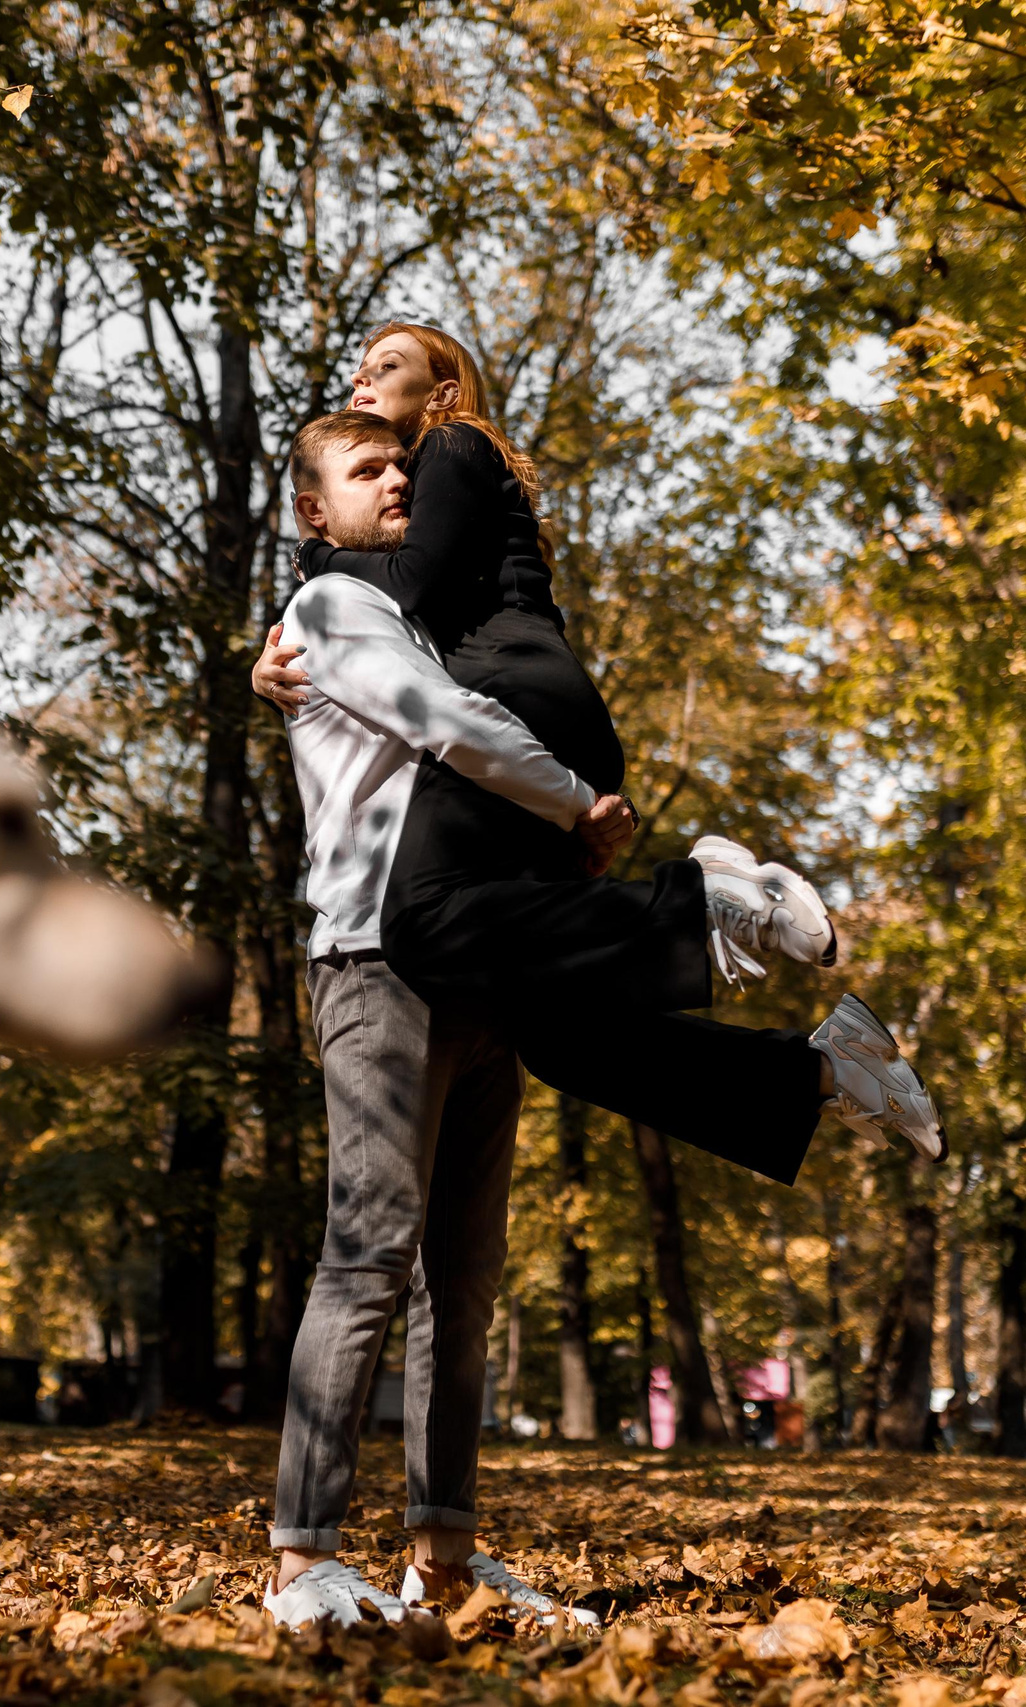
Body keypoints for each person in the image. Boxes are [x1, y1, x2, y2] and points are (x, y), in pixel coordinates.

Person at [259, 326, 941, 1166]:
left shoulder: (454, 444)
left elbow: (406, 585)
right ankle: (816, 1072)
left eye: (387, 369)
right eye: (357, 372)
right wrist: (287, 652)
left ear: (441, 391)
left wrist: (312, 567)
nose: (363, 383)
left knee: (422, 921)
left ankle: (710, 901)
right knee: (559, 1032)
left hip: (515, 703)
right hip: (542, 715)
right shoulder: (435, 482)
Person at [260, 411, 618, 1632]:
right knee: (367, 1258)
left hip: (476, 957)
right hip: (373, 959)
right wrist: (578, 807)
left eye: (401, 463)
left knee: (460, 1282)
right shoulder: (329, 612)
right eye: (366, 471)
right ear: (316, 513)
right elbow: (437, 720)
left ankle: (444, 1563)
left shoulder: (424, 611)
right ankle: (300, 1559)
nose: (396, 478)